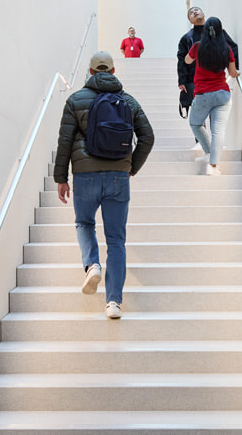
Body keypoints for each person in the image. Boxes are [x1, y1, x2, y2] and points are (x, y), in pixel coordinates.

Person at [54, 50, 154, 319]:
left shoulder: (75, 100)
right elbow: (148, 137)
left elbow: (65, 142)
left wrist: (61, 178)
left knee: (84, 223)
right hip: (117, 177)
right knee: (117, 240)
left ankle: (92, 265)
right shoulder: (128, 102)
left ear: (89, 72)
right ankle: (113, 303)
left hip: (85, 175)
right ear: (112, 72)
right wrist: (131, 166)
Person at [184, 16, 240, 175]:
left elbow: (187, 61)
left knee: (195, 124)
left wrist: (193, 55)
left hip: (202, 94)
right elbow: (232, 73)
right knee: (218, 131)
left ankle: (208, 152)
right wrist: (238, 72)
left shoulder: (197, 47)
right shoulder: (226, 49)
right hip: (222, 94)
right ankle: (213, 165)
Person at [177, 6, 239, 117]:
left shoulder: (219, 33)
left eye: (197, 10)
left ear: (204, 13)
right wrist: (182, 81)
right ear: (190, 20)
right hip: (194, 81)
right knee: (199, 116)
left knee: (214, 114)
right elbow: (182, 59)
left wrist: (234, 68)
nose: (194, 12)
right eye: (191, 12)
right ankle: (201, 134)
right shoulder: (186, 38)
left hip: (216, 80)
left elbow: (232, 47)